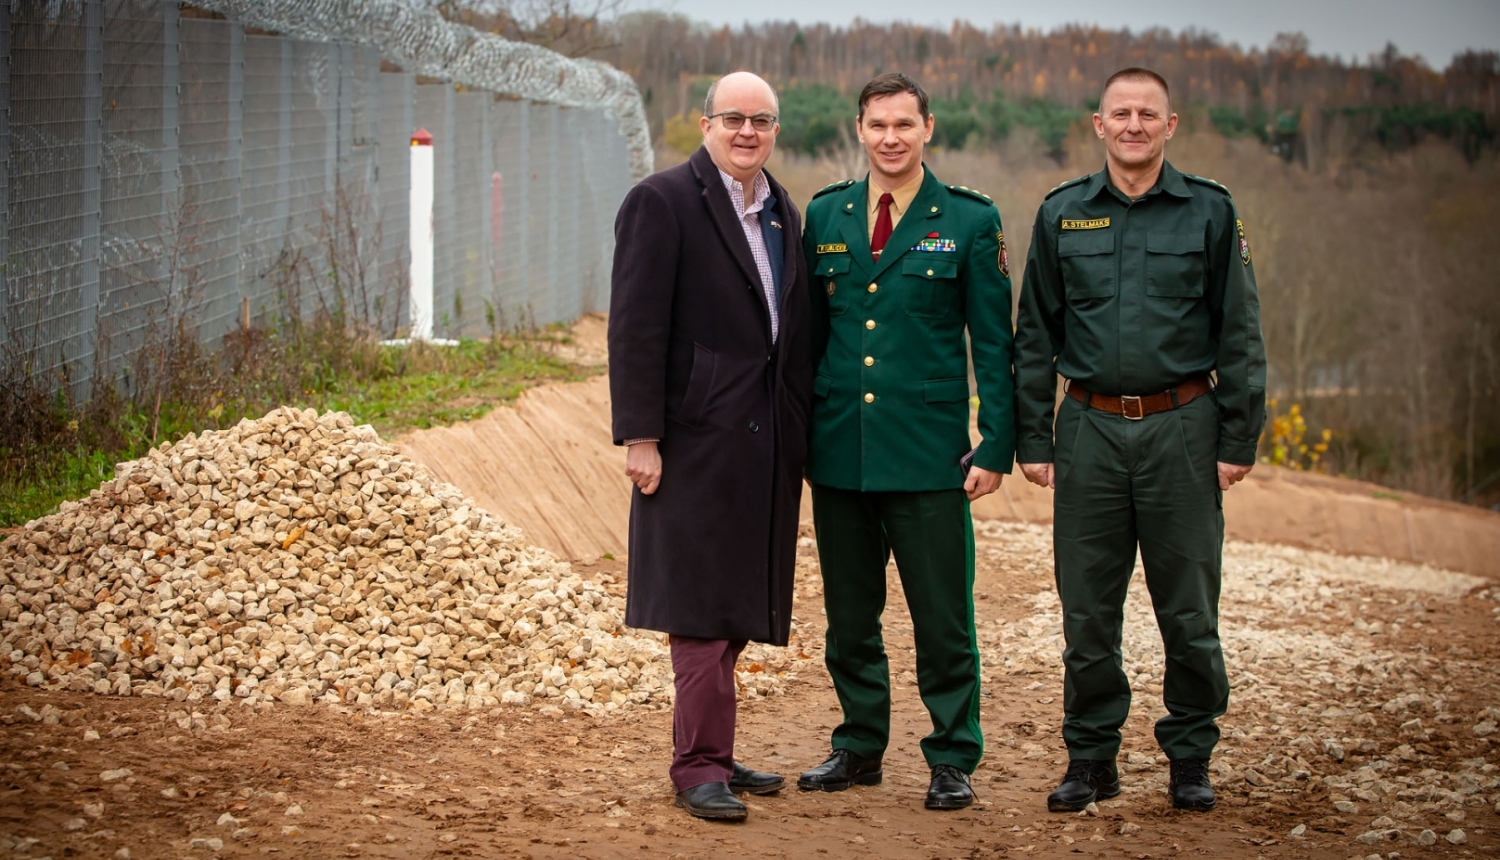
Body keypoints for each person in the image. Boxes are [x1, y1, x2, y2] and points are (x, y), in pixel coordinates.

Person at [1012, 67, 1267, 813]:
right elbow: (1035, 337)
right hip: (1087, 428)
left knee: (1188, 611)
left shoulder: (1211, 213)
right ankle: (1091, 758)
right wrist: (1034, 437)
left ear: (1170, 124)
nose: (1132, 125)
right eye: (1119, 113)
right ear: (1098, 125)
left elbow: (1240, 332)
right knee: (1088, 611)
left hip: (1183, 428)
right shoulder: (1063, 213)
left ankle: (1190, 755)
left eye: (1146, 114)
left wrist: (1238, 438)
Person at [797, 72, 1016, 812]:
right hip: (840, 452)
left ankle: (952, 754)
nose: (890, 138)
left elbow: (994, 344)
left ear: (929, 128)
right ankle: (859, 745)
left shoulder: (969, 220)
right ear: (858, 129)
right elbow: (809, 341)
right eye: (877, 125)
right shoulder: (826, 214)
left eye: (904, 124)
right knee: (849, 618)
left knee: (942, 619)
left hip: (928, 457)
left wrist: (995, 445)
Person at [607, 71, 813, 823]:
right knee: (697, 609)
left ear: (775, 130)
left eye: (761, 120)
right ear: (705, 124)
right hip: (690, 441)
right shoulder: (662, 202)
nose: (747, 132)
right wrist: (641, 435)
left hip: (761, 445)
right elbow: (633, 326)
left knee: (734, 604)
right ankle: (696, 768)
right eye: (733, 118)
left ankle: (714, 749)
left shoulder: (784, 212)